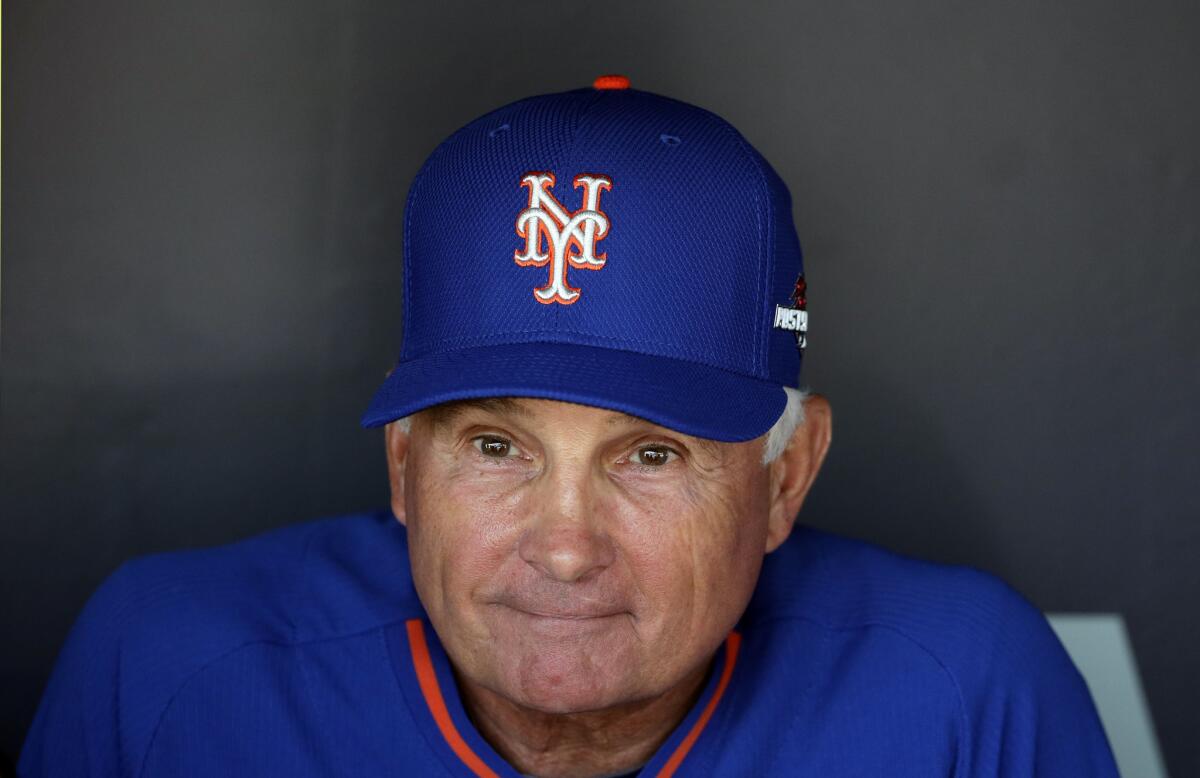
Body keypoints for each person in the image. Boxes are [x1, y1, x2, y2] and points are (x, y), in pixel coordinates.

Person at [19, 76, 1118, 777]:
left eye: (652, 453)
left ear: (787, 479)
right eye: (496, 446)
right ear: (404, 468)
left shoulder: (962, 696)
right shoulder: (168, 669)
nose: (563, 544)